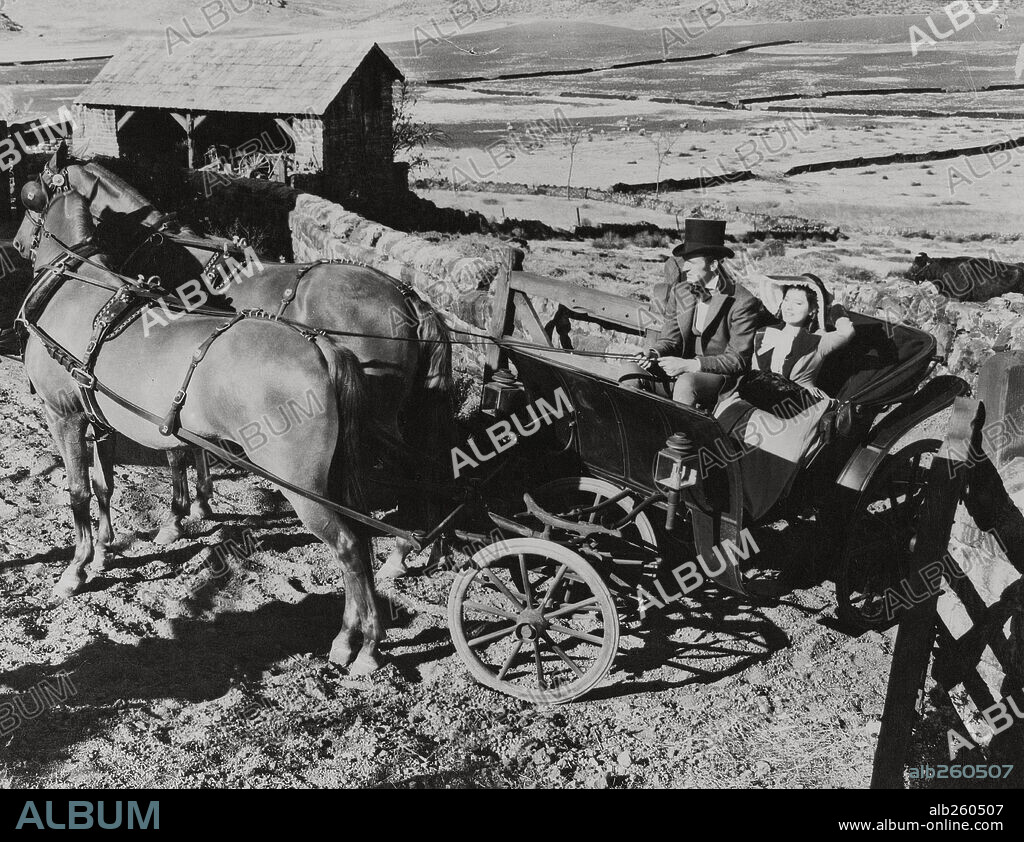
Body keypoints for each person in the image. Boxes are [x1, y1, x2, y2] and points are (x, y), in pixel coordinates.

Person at [722, 274, 856, 518]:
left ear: (812, 310)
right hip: (759, 393)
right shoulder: (764, 332)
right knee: (727, 415)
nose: (790, 308)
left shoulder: (820, 341)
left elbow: (848, 332)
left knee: (765, 430)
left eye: (799, 303)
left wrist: (834, 305)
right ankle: (721, 487)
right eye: (787, 301)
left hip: (799, 403)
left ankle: (753, 502)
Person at [623, 218, 763, 408]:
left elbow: (736, 360)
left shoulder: (742, 301)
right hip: (679, 369)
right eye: (685, 262)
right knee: (630, 370)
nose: (685, 268)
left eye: (692, 262)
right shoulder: (680, 291)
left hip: (717, 377)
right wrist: (654, 353)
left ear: (713, 265)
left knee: (686, 383)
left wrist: (690, 365)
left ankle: (680, 437)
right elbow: (670, 339)